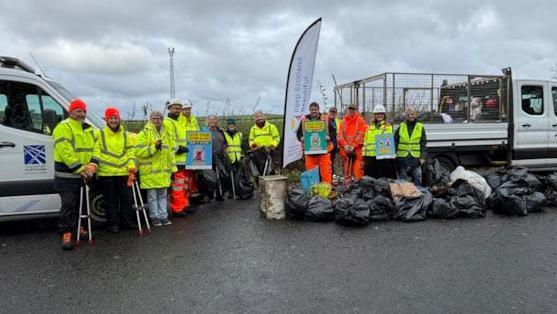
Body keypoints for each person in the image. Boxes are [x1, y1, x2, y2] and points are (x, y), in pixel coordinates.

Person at [52, 99, 97, 250]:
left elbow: (96, 148)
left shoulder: (88, 128)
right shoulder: (63, 127)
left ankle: (79, 228)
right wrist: (80, 168)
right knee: (68, 205)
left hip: (83, 175)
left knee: (82, 205)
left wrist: (93, 163)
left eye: (84, 111)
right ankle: (66, 232)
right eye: (78, 111)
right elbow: (65, 151)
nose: (82, 114)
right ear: (71, 112)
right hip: (67, 176)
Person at [91, 107, 136, 233]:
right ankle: (113, 225)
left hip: (123, 173)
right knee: (110, 201)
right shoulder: (99, 134)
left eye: (115, 118)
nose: (113, 120)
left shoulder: (126, 135)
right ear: (106, 120)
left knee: (127, 200)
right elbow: (97, 151)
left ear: (119, 119)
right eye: (111, 118)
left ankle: (126, 222)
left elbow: (130, 153)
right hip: (106, 173)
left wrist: (131, 166)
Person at [135, 111, 176, 227]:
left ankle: (164, 216)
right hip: (150, 172)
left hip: (163, 171)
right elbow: (138, 152)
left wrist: (172, 169)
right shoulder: (143, 133)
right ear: (150, 119)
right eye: (153, 118)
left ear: (162, 120)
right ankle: (155, 217)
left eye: (158, 118)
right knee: (152, 197)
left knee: (163, 196)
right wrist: (154, 147)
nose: (156, 120)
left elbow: (170, 153)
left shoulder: (166, 134)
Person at [163, 99, 190, 216]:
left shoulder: (179, 121)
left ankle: (184, 204)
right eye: (175, 107)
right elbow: (167, 140)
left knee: (184, 184)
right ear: (169, 108)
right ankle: (177, 208)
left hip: (184, 158)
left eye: (179, 107)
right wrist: (177, 148)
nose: (178, 110)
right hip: (175, 159)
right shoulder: (167, 122)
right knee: (177, 185)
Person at [296, 102, 333, 184]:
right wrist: (301, 138)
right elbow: (298, 133)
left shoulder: (325, 118)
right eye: (312, 110)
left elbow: (333, 131)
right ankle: (313, 192)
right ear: (309, 110)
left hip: (323, 151)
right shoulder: (304, 120)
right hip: (310, 152)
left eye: (315, 109)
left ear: (318, 110)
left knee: (326, 173)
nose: (314, 111)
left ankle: (326, 191)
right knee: (311, 174)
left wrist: (329, 137)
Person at [395, 107, 427, 186]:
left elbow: (423, 143)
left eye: (412, 114)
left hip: (415, 157)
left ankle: (419, 193)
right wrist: (394, 152)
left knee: (418, 176)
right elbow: (395, 140)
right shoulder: (401, 126)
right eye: (408, 114)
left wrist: (422, 156)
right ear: (406, 116)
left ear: (415, 115)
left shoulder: (420, 127)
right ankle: (406, 195)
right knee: (403, 179)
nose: (410, 116)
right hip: (402, 157)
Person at [363, 105, 396, 179]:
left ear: (384, 115)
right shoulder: (370, 128)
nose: (379, 116)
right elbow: (366, 142)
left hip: (382, 158)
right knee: (370, 180)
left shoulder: (387, 127)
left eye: (381, 114)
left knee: (382, 180)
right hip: (370, 158)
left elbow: (387, 144)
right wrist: (364, 156)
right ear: (374, 115)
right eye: (377, 114)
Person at [178, 99, 201, 199]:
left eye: (189, 109)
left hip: (193, 153)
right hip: (182, 154)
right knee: (182, 181)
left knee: (191, 178)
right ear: (181, 110)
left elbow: (199, 134)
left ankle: (188, 200)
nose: (187, 111)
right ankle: (183, 202)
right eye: (185, 109)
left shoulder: (194, 120)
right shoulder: (178, 121)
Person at [338, 104, 367, 181]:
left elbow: (361, 135)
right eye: (350, 109)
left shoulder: (361, 121)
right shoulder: (343, 121)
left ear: (356, 110)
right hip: (346, 152)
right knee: (347, 173)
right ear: (347, 110)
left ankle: (359, 188)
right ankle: (348, 189)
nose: (351, 111)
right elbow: (340, 135)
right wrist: (345, 145)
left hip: (357, 152)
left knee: (358, 171)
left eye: (353, 109)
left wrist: (353, 146)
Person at [248, 111, 280, 176]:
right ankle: (259, 183)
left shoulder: (271, 127)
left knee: (271, 169)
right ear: (254, 119)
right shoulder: (253, 129)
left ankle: (271, 183)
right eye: (257, 117)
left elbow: (277, 138)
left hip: (269, 151)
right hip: (258, 152)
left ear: (264, 117)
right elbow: (251, 140)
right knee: (259, 170)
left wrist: (273, 145)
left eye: (261, 116)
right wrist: (253, 145)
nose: (259, 118)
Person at [207, 115, 227, 201]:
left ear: (216, 121)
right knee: (210, 176)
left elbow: (226, 143)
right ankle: (209, 195)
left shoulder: (221, 131)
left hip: (220, 156)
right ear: (207, 121)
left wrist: (223, 149)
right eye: (210, 119)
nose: (212, 121)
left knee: (221, 175)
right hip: (208, 156)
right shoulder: (204, 131)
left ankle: (220, 194)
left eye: (214, 119)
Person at [327, 107, 341, 175]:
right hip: (327, 145)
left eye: (334, 112)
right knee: (328, 162)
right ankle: (329, 176)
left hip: (336, 146)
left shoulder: (339, 122)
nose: (332, 113)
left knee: (334, 161)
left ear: (336, 114)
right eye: (331, 112)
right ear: (329, 112)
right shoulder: (325, 120)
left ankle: (333, 176)